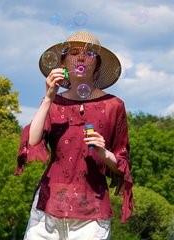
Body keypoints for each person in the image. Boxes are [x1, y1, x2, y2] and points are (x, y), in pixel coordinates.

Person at [15, 31, 134, 240]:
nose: (80, 57)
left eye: (88, 54)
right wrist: (48, 97)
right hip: (47, 210)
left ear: (97, 64)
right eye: (73, 53)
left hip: (91, 215)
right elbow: (32, 141)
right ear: (63, 62)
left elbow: (121, 163)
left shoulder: (114, 106)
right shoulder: (54, 103)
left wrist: (103, 152)